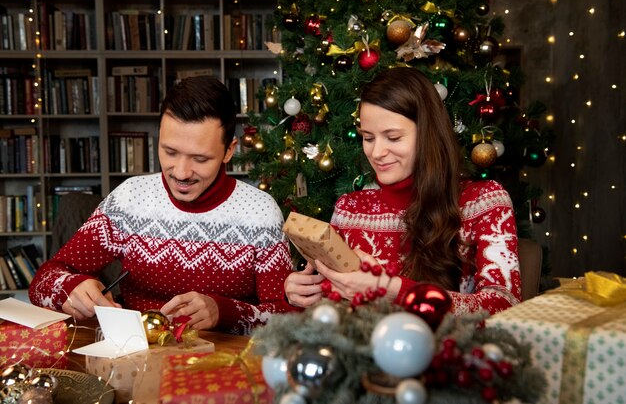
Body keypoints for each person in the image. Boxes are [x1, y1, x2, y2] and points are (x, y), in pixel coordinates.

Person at [29, 75, 295, 335]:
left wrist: (224, 312)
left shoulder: (261, 212)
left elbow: (288, 318)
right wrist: (70, 287)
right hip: (135, 357)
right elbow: (43, 281)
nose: (180, 173)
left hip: (225, 364)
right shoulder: (130, 199)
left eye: (200, 159)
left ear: (229, 150)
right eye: (169, 152)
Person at [284, 67, 521, 316]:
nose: (376, 153)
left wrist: (391, 289)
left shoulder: (483, 201)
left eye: (393, 138)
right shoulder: (349, 208)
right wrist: (304, 294)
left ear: (428, 134)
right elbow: (336, 313)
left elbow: (504, 308)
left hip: (444, 353)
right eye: (368, 137)